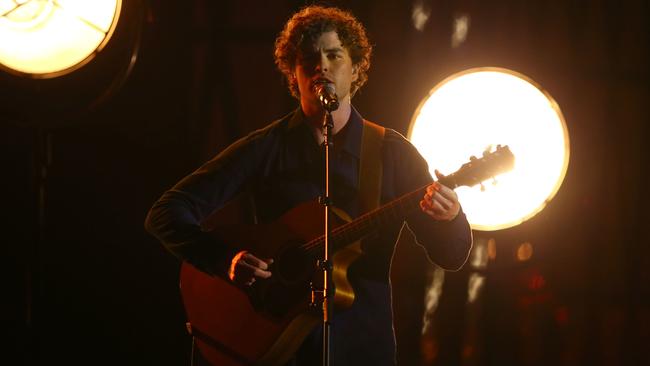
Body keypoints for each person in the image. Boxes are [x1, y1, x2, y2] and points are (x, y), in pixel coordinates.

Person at [145, 5, 472, 366]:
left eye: (334, 55)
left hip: (362, 348)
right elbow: (166, 213)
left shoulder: (391, 154)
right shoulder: (266, 148)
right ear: (293, 74)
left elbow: (451, 256)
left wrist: (450, 216)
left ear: (356, 68)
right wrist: (225, 260)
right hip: (277, 348)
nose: (322, 67)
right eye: (308, 59)